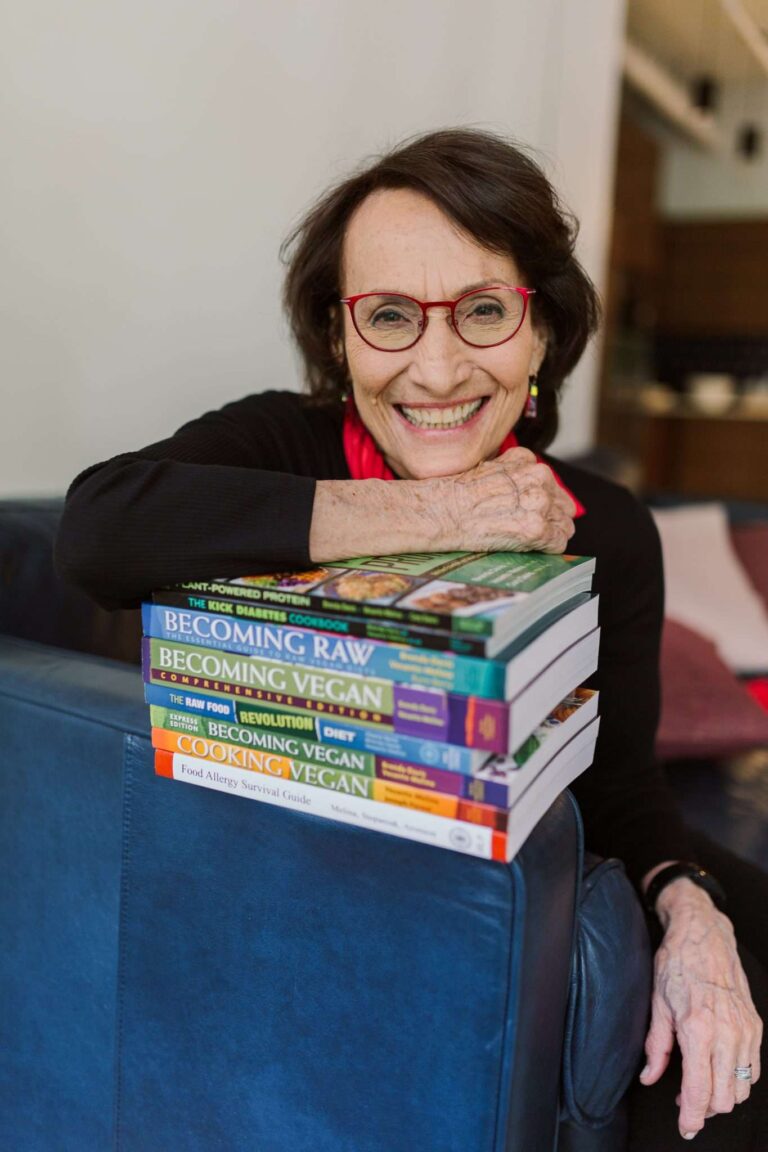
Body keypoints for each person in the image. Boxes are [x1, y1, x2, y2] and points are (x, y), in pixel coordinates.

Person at [55, 127, 765, 1148]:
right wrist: (446, 516)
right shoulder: (279, 442)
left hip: (547, 864)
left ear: (540, 337)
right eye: (389, 317)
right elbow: (96, 530)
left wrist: (689, 911)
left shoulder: (608, 524)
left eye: (482, 311)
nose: (435, 369)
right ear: (341, 344)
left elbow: (617, 783)